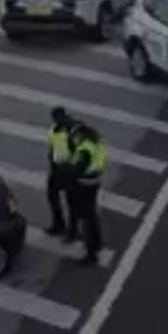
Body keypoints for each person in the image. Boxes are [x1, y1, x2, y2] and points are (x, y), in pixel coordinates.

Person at [67, 123, 106, 265]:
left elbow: (78, 168)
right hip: (95, 181)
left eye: (75, 136)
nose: (74, 138)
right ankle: (98, 243)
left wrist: (70, 173)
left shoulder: (85, 149)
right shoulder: (98, 142)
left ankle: (91, 254)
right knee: (92, 215)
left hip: (84, 184)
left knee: (85, 219)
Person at [45, 107, 75, 237]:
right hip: (62, 168)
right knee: (59, 197)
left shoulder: (67, 129)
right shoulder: (57, 129)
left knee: (67, 199)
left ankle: (67, 228)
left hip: (66, 169)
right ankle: (63, 226)